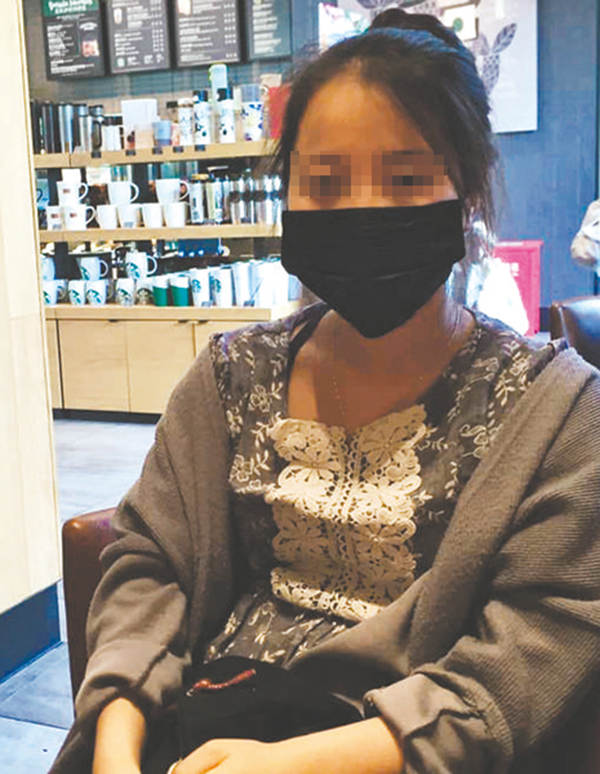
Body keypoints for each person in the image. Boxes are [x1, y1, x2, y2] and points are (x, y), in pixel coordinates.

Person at [51, 9, 600, 774]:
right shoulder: (230, 377)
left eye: (405, 178)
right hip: (202, 723)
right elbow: (152, 564)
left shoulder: (557, 414)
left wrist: (291, 764)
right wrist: (116, 741)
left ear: (470, 193)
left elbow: (533, 651)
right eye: (324, 180)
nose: (360, 208)